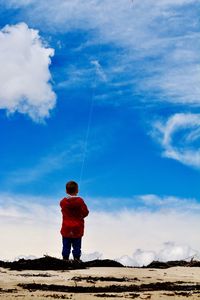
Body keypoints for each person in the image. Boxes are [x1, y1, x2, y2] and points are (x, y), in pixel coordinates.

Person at [60, 181, 89, 261]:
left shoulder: (63, 202)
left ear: (66, 191)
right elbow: (86, 212)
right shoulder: (80, 201)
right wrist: (80, 216)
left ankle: (65, 259)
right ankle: (77, 259)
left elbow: (63, 208)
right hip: (77, 228)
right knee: (77, 246)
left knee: (66, 245)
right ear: (77, 191)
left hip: (66, 228)